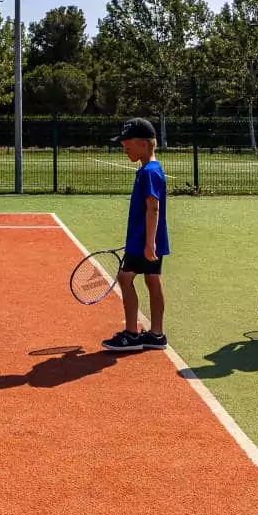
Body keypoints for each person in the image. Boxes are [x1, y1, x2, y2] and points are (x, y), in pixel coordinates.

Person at [102, 118, 169, 353]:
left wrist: (148, 243)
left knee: (124, 278)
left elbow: (153, 207)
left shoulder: (149, 172)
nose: (124, 149)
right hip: (149, 241)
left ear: (142, 144)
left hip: (144, 242)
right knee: (152, 279)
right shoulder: (151, 169)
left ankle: (131, 334)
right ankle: (156, 334)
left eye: (127, 145)